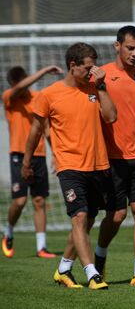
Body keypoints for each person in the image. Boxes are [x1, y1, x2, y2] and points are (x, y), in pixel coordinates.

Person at [21, 42, 115, 289]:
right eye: (88, 67)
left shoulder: (96, 88)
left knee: (89, 219)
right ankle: (92, 273)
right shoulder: (49, 95)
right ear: (72, 66)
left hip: (98, 165)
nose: (92, 71)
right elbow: (34, 132)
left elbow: (111, 116)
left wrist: (102, 86)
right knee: (80, 216)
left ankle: (64, 268)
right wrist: (27, 162)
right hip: (69, 166)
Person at [94, 26, 135, 285]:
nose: (134, 53)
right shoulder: (101, 76)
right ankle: (99, 255)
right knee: (117, 215)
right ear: (117, 46)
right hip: (111, 158)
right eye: (129, 48)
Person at [2, 64, 63, 259]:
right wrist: (45, 71)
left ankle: (41, 247)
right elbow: (19, 88)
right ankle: (9, 231)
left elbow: (45, 127)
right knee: (20, 201)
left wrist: (55, 153)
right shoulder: (9, 98)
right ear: (12, 84)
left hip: (39, 155)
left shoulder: (37, 98)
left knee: (39, 200)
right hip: (18, 155)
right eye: (18, 84)